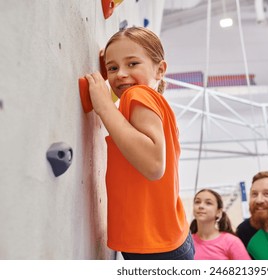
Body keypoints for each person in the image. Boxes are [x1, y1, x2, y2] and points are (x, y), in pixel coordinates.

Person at [84, 27, 194, 260]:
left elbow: (154, 166)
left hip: (156, 247)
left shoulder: (139, 95)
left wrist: (104, 106)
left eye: (132, 64)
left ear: (160, 69)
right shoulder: (152, 104)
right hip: (166, 240)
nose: (121, 74)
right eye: (112, 68)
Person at [190, 189, 251, 260]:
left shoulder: (232, 242)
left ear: (218, 212)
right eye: (197, 202)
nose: (201, 206)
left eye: (208, 203)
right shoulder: (186, 244)